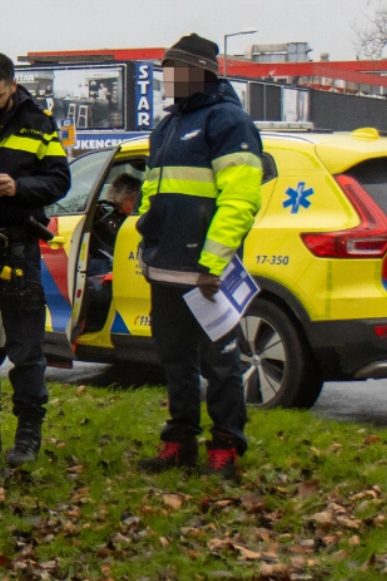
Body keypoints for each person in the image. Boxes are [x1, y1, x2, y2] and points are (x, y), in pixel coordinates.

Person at [135, 33, 263, 480]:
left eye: (174, 72)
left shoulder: (229, 121)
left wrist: (214, 262)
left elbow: (240, 199)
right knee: (175, 360)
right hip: (166, 267)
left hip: (207, 273)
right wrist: (147, 234)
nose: (167, 80)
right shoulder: (168, 125)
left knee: (221, 364)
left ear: (201, 74)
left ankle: (225, 446)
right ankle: (180, 440)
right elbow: (153, 188)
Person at [0, 52, 70, 468]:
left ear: (13, 86)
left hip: (16, 245)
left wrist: (18, 187)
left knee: (25, 347)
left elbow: (59, 179)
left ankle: (27, 435)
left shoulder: (38, 123)